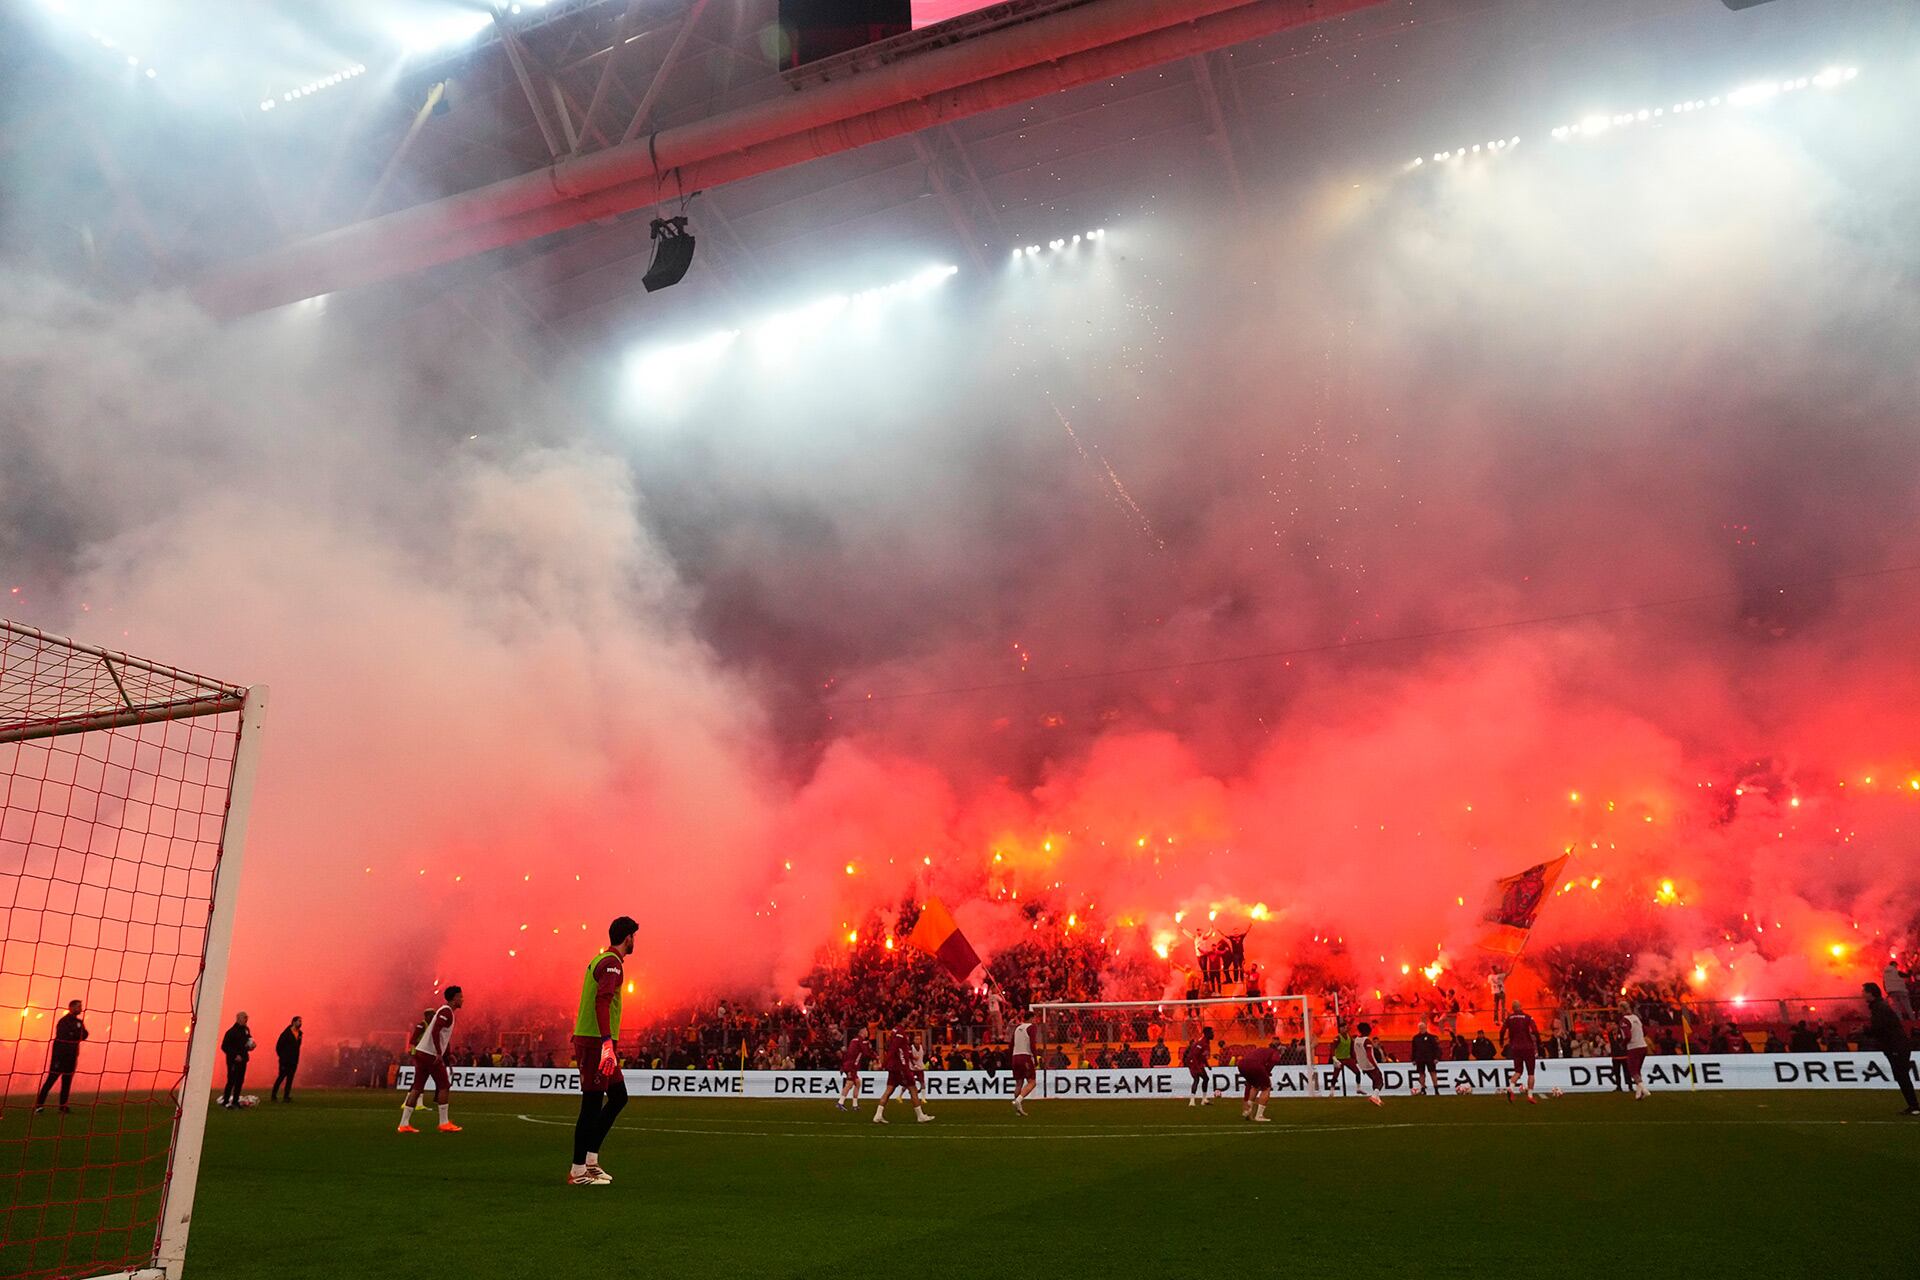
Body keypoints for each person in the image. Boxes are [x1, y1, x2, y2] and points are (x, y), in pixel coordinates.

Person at [568, 917, 637, 1186]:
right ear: (627, 937)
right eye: (633, 936)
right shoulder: (612, 965)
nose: (635, 942)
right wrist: (607, 1043)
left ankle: (591, 1161)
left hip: (597, 1039)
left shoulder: (601, 960)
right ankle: (577, 1171)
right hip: (596, 1041)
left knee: (619, 1097)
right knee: (592, 1104)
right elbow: (602, 1002)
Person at [399, 986, 464, 1134]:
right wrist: (439, 1053)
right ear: (454, 999)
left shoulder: (445, 1011)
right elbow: (436, 1031)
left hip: (422, 1053)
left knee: (417, 1087)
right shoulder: (446, 1012)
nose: (462, 999)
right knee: (444, 1085)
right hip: (430, 1054)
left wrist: (446, 1052)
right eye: (460, 996)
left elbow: (440, 1035)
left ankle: (404, 1123)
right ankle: (444, 1122)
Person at [1861, 982, 1917, 1115]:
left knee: (1902, 1076)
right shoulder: (1879, 1007)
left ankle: (1914, 1107)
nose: (1862, 994)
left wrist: (1864, 1030)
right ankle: (1913, 1106)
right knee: (1901, 1076)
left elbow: (1879, 1029)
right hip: (1896, 1045)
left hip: (1896, 1046)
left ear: (1871, 993)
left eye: (1864, 991)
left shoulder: (1879, 1008)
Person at [35, 1000, 89, 1114]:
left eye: (80, 1006)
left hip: (72, 1056)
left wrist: (75, 1035)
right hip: (60, 1057)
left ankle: (63, 1106)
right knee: (51, 1080)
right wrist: (76, 1035)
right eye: (78, 1007)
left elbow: (85, 1034)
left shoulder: (79, 1021)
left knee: (67, 1082)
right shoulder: (63, 1021)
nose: (80, 1009)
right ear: (71, 1007)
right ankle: (39, 1105)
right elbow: (64, 1036)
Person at [872, 1026, 933, 1124]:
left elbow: (898, 1052)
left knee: (888, 1091)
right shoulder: (900, 1035)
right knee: (913, 1089)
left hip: (893, 1068)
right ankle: (920, 1116)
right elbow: (898, 1053)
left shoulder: (894, 1032)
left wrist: (885, 1064)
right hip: (901, 1068)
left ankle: (878, 1115)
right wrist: (883, 1065)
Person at [1501, 1000, 1541, 1103]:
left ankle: (1510, 1087)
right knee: (1531, 1073)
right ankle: (1530, 1096)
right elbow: (1535, 1030)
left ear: (1512, 1008)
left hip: (1515, 1048)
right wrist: (1539, 1042)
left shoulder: (1509, 1018)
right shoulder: (1527, 1017)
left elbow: (1502, 1030)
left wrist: (1501, 1041)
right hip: (1528, 1047)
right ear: (1521, 1007)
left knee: (1518, 1071)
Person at [1236, 1038, 1282, 1122]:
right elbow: (1272, 1062)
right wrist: (1267, 1073)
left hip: (1242, 1064)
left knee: (1255, 1086)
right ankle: (1259, 1115)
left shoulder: (1261, 1049)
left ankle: (1248, 1110)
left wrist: (1245, 1098)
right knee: (1266, 1088)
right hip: (1255, 1065)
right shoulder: (1275, 1053)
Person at [219, 1012, 254, 1109]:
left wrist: (251, 1046)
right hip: (233, 1061)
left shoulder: (246, 1030)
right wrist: (235, 1055)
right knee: (231, 1081)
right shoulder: (231, 1032)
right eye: (244, 1018)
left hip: (243, 1060)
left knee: (240, 1081)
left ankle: (235, 1101)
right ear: (238, 1018)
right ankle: (225, 1101)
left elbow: (248, 1041)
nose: (246, 1020)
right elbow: (224, 1046)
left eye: (247, 1018)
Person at [1010, 1012, 1040, 1116]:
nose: (1035, 1020)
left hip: (1015, 1056)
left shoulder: (1017, 1028)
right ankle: (1018, 1100)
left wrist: (1011, 1057)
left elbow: (1011, 1044)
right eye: (1035, 1018)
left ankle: (1017, 1110)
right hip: (1025, 1057)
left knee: (1019, 1083)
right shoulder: (1031, 1027)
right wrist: (1035, 1059)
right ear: (1031, 1018)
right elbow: (1032, 1044)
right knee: (1032, 1082)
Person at [1618, 1003, 1649, 1100]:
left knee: (1633, 1072)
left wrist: (1623, 1044)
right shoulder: (1636, 1017)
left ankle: (1645, 1090)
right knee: (1637, 1070)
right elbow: (1645, 1031)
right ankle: (1639, 1093)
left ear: (1622, 1009)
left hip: (1633, 1048)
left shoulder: (1624, 1020)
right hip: (1643, 1046)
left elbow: (1627, 1036)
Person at [1351, 1022, 1386, 1107]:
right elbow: (1370, 1055)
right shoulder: (1366, 1041)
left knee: (1374, 1080)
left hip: (1362, 1064)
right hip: (1369, 1064)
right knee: (1380, 1081)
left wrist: (1360, 1064)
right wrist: (1375, 1065)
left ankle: (1377, 1099)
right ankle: (1374, 1096)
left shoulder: (1356, 1040)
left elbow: (1355, 1053)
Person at [835, 1028, 871, 1112]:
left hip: (850, 1066)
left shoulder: (854, 1041)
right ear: (862, 1032)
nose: (867, 1032)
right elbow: (866, 1052)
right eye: (866, 1031)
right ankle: (840, 1103)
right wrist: (874, 1055)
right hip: (851, 1066)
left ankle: (855, 1105)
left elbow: (848, 1054)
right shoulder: (860, 1041)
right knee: (849, 1084)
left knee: (858, 1083)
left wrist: (843, 1066)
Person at [271, 1016, 303, 1102]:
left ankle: (286, 1096)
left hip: (294, 1060)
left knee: (290, 1078)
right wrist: (282, 1057)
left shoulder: (300, 1033)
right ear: (293, 1022)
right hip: (285, 1060)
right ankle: (273, 1095)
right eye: (299, 1021)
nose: (300, 1023)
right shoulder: (286, 1034)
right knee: (281, 1077)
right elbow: (278, 1046)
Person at [1409, 1019, 1441, 1096]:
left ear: (1426, 1028)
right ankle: (1423, 1089)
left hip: (1430, 1058)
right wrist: (1413, 1059)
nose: (1422, 1029)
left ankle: (1436, 1089)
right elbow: (1414, 1049)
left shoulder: (1431, 1037)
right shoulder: (1416, 1038)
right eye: (1420, 1028)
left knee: (1432, 1072)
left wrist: (1436, 1058)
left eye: (1423, 1028)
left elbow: (1436, 1048)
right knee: (1421, 1074)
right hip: (1420, 1059)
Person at [1181, 1037, 1212, 1107]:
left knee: (1204, 1079)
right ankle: (1193, 1100)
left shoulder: (1197, 1049)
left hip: (1197, 1065)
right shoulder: (1192, 1050)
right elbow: (1186, 1059)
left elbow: (1203, 1057)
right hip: (1194, 1065)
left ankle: (1201, 1100)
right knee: (1197, 1079)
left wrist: (1207, 1065)